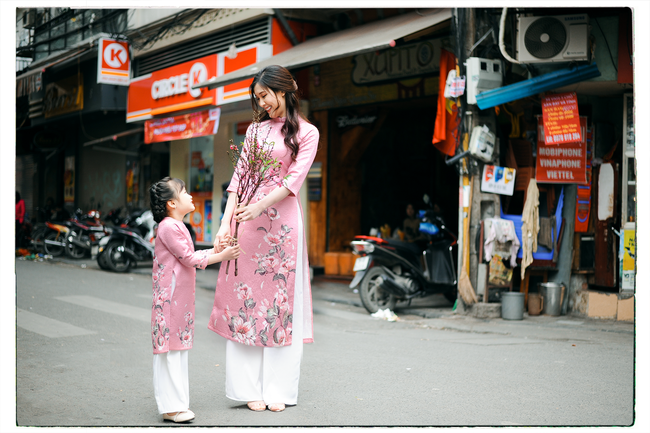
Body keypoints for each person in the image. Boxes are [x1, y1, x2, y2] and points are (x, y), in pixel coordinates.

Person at [208, 65, 319, 413]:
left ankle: (278, 388)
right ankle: (246, 388)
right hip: (247, 223)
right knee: (246, 301)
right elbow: (238, 181)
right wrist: (226, 224)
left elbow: (293, 182)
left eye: (264, 96)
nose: (262, 103)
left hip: (283, 226)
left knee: (280, 305)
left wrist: (259, 207)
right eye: (257, 98)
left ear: (283, 90)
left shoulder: (308, 132)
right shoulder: (254, 132)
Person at [149, 177, 240, 423]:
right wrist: (222, 255)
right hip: (170, 302)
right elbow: (189, 260)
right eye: (185, 192)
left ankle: (176, 404)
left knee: (177, 350)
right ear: (171, 203)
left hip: (179, 301)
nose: (190, 196)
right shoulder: (168, 227)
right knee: (170, 351)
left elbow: (189, 255)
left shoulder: (176, 226)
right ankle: (170, 407)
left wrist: (217, 250)